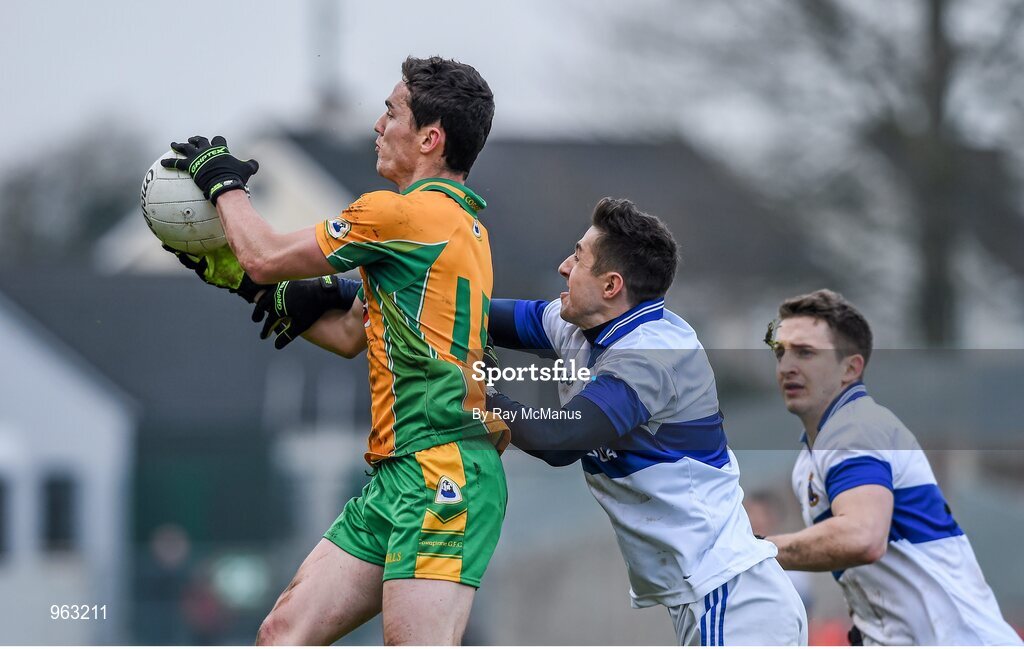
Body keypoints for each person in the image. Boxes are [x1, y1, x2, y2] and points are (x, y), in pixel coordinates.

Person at [164, 56, 508, 646]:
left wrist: (223, 184)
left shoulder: (398, 213)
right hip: (398, 476)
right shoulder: (456, 226)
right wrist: (236, 277)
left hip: (442, 473)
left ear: (430, 137)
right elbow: (350, 334)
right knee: (281, 635)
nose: (378, 125)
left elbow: (266, 255)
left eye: (391, 111)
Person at [481, 198, 807, 645]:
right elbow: (470, 315)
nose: (562, 266)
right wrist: (359, 294)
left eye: (577, 257)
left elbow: (559, 439)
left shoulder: (653, 353)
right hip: (710, 598)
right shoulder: (582, 325)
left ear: (612, 285)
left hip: (731, 599)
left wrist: (478, 393)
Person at [764, 289, 1022, 645]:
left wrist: (756, 551)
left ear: (850, 368)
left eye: (806, 352)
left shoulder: (855, 429)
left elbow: (862, 537)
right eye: (781, 352)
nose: (787, 366)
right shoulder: (814, 455)